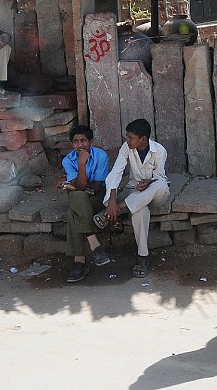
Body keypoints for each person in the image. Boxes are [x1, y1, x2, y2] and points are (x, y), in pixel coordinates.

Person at [92, 119, 169, 278]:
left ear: (143, 139)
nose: (127, 140)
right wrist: (112, 200)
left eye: (130, 137)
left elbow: (160, 176)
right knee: (140, 211)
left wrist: (149, 181)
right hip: (134, 192)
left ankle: (119, 209)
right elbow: (116, 172)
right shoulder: (126, 148)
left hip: (155, 192)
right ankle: (143, 257)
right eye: (127, 137)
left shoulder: (159, 151)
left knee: (161, 185)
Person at [58, 125, 111, 283]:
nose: (80, 145)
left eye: (83, 141)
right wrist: (81, 165)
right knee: (78, 197)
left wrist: (77, 175)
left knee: (73, 211)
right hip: (80, 198)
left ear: (91, 141)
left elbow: (95, 188)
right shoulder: (68, 160)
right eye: (75, 142)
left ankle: (79, 263)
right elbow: (81, 187)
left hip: (98, 196)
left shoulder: (101, 155)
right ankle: (94, 245)